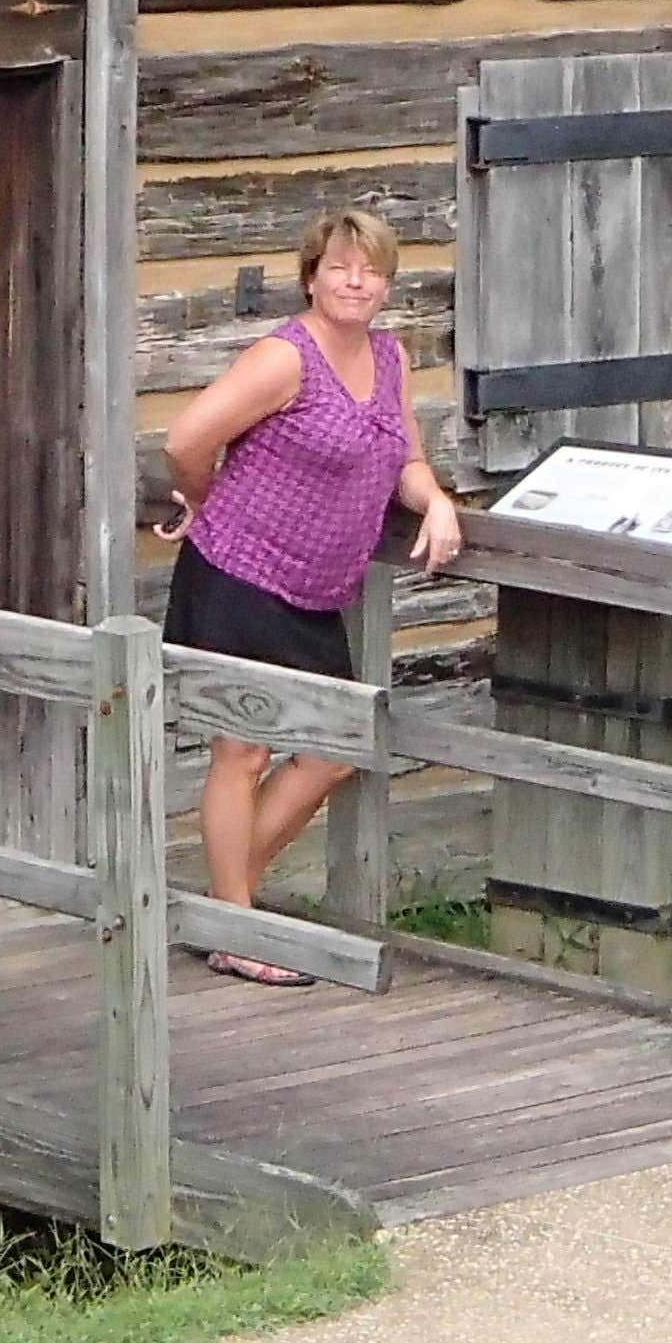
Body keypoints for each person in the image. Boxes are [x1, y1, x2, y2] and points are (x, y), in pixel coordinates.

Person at [159, 205, 461, 983]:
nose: (355, 281)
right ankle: (234, 930)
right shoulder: (283, 359)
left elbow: (405, 460)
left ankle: (222, 908)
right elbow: (186, 440)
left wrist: (437, 502)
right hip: (237, 572)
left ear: (387, 283)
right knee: (243, 749)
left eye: (370, 269)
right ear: (312, 276)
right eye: (339, 267)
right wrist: (205, 501)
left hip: (316, 591)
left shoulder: (389, 360)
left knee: (331, 752)